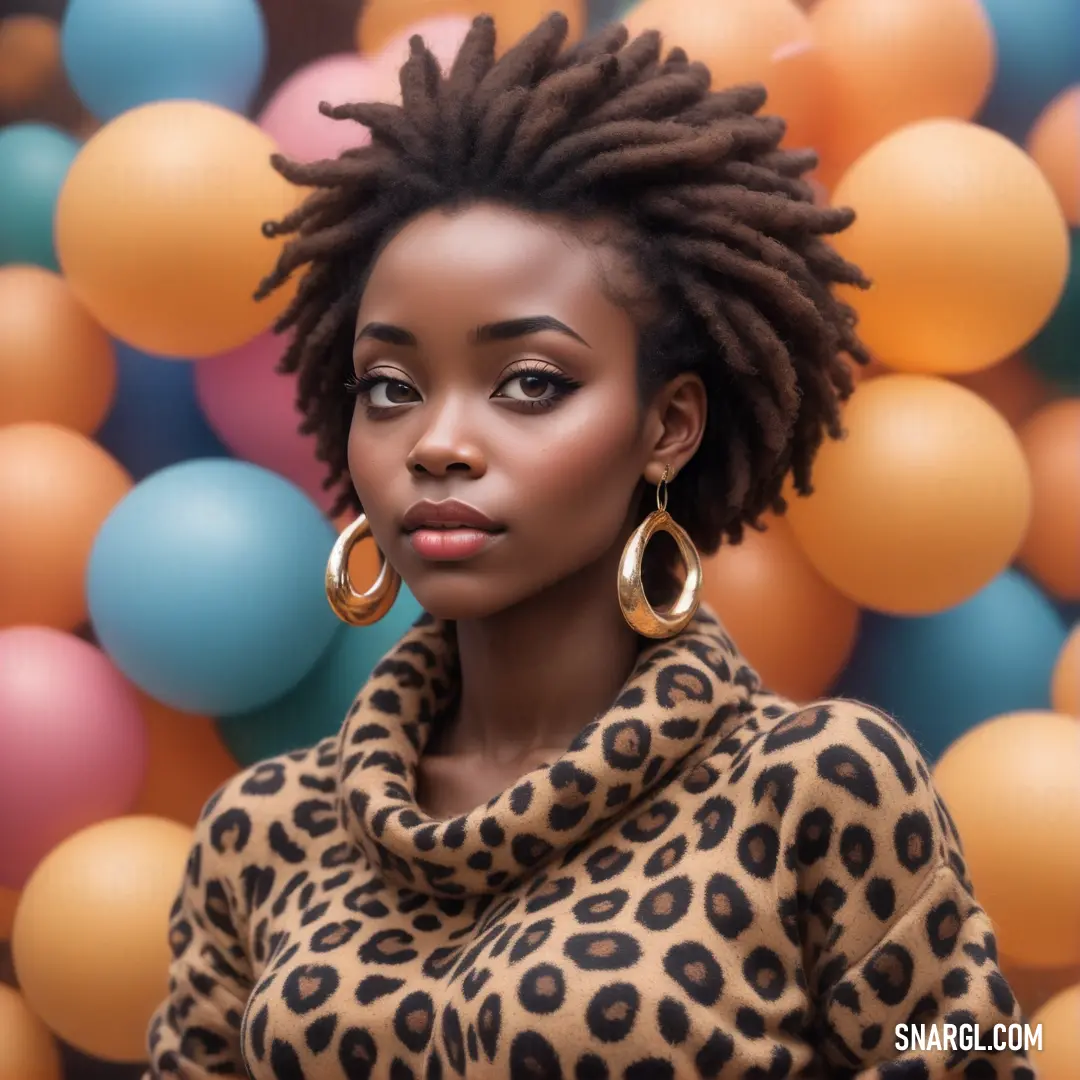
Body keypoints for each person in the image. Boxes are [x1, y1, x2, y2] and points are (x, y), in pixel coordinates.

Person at [144, 14, 1034, 1079]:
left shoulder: (818, 786)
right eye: (391, 389)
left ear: (671, 426)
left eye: (529, 384)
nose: (437, 444)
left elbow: (980, 1045)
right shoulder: (262, 833)